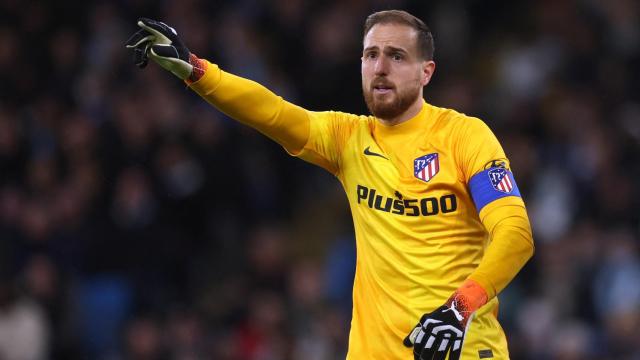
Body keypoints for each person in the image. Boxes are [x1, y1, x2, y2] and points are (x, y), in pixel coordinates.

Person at [125, 9, 534, 360]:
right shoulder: (348, 139)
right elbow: (273, 114)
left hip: (459, 349)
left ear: (426, 71)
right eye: (371, 55)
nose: (380, 67)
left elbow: (515, 235)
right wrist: (197, 71)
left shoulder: (464, 137)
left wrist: (460, 307)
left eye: (396, 56)